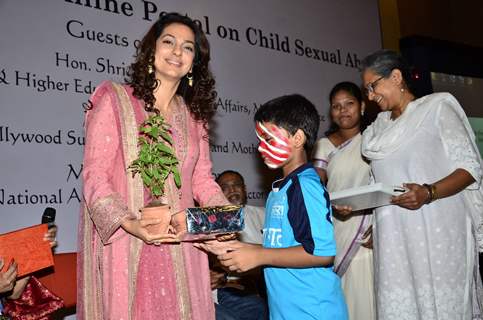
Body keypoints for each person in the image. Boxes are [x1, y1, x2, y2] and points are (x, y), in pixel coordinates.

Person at [78, 12, 228, 320]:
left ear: (194, 63)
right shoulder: (114, 99)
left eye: (188, 48)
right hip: (128, 242)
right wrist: (132, 224)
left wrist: (225, 220)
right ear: (151, 49)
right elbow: (95, 176)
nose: (177, 52)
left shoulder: (194, 118)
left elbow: (203, 183)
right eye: (169, 42)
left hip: (182, 248)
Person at [198, 95, 348, 320]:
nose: (260, 148)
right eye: (260, 140)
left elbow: (321, 252)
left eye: (268, 139)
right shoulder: (279, 190)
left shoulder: (304, 185)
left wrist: (258, 255)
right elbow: (282, 249)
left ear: (297, 138)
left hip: (313, 311)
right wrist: (240, 251)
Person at [360, 49, 483, 319]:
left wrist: (428, 192)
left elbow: (470, 168)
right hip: (393, 240)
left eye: (372, 86)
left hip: (437, 234)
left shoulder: (437, 108)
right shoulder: (376, 131)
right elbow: (379, 186)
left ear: (395, 77)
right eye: (366, 90)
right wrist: (360, 210)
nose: (369, 96)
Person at [312, 81, 375, 320]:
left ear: (361, 107)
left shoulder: (375, 140)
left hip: (371, 229)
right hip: (338, 226)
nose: (343, 110)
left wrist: (380, 226)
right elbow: (316, 191)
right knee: (345, 296)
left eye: (349, 104)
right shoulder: (323, 145)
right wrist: (332, 207)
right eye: (336, 106)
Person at [213, 170, 267, 320]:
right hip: (229, 288)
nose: (232, 190)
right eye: (225, 187)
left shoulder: (264, 215)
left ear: (245, 189)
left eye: (236, 185)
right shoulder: (211, 221)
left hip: (266, 283)